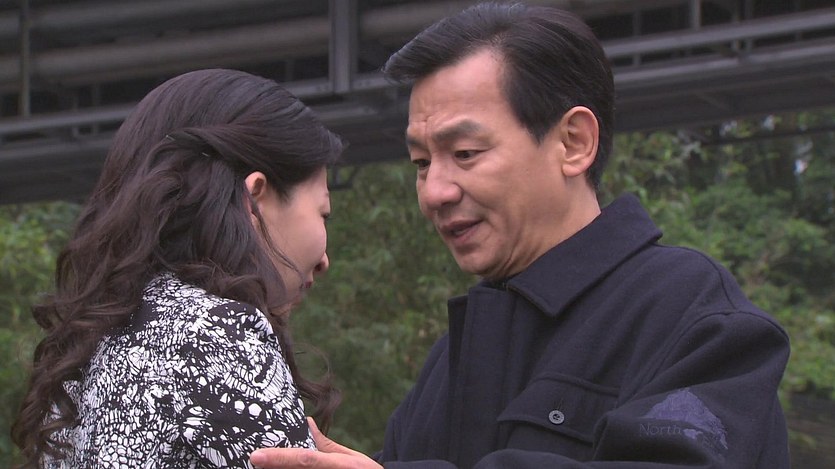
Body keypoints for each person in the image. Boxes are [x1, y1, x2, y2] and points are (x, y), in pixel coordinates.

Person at [249, 2, 790, 468]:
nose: (434, 192)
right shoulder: (451, 360)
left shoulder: (694, 317)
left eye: (465, 153)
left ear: (574, 142)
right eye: (421, 163)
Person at [11, 68, 343, 468]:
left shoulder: (86, 351)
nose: (324, 260)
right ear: (255, 196)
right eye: (323, 212)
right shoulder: (214, 336)